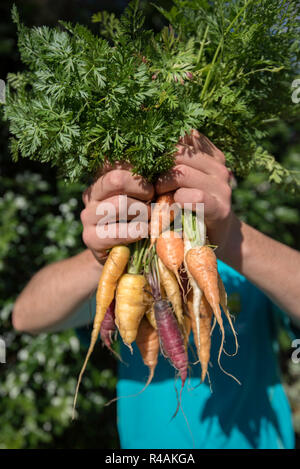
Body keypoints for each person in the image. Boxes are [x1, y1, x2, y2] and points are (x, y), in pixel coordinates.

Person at [12, 130, 300, 449]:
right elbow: (26, 317)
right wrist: (106, 252)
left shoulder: (243, 265)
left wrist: (232, 237)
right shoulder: (122, 273)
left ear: (223, 177)